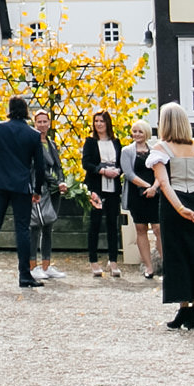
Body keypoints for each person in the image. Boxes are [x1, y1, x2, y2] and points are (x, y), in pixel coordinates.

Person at [150, 102, 194, 329]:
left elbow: (164, 183)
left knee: (177, 256)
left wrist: (180, 209)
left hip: (173, 205)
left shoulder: (161, 148)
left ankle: (184, 306)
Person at [0, 95, 43, 290]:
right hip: (21, 186)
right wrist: (37, 190)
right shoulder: (33, 135)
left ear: (10, 110)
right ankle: (24, 274)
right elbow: (39, 167)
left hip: (0, 183)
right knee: (22, 229)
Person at [82, 110, 124, 278]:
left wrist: (117, 171)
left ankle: (113, 260)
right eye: (96, 121)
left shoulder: (116, 142)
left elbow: (121, 162)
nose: (98, 124)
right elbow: (86, 163)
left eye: (101, 121)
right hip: (96, 187)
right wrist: (102, 170)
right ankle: (93, 260)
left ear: (107, 123)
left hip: (113, 187)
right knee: (95, 223)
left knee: (113, 224)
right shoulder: (91, 142)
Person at [120, 111, 161, 278]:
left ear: (146, 133)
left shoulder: (155, 150)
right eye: (134, 131)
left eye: (140, 131)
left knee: (158, 228)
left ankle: (165, 264)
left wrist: (154, 187)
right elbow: (128, 173)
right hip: (136, 194)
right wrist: (146, 186)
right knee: (141, 228)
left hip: (155, 193)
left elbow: (160, 171)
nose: (136, 134)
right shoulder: (127, 151)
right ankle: (148, 267)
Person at [30, 108, 65, 279]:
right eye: (39, 122)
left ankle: (46, 265)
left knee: (48, 227)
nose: (42, 125)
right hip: (39, 189)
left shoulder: (51, 143)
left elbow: (58, 165)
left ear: (49, 123)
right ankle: (32, 266)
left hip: (53, 190)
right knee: (35, 227)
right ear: (34, 124)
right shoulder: (32, 143)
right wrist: (56, 182)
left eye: (45, 121)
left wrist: (62, 180)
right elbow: (40, 169)